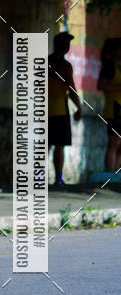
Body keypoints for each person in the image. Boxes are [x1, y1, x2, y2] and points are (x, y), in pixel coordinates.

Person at [47, 31, 82, 186]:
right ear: (57, 45)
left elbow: (71, 88)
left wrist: (78, 106)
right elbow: (71, 87)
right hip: (53, 111)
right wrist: (79, 107)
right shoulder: (62, 65)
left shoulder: (48, 62)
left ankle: (52, 177)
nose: (67, 46)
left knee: (51, 146)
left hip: (54, 110)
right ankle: (53, 178)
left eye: (68, 43)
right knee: (52, 146)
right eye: (65, 43)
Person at [97, 37, 121, 171]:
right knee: (113, 142)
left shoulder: (119, 66)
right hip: (114, 108)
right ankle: (109, 175)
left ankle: (115, 174)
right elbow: (101, 85)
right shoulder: (109, 66)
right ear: (115, 51)